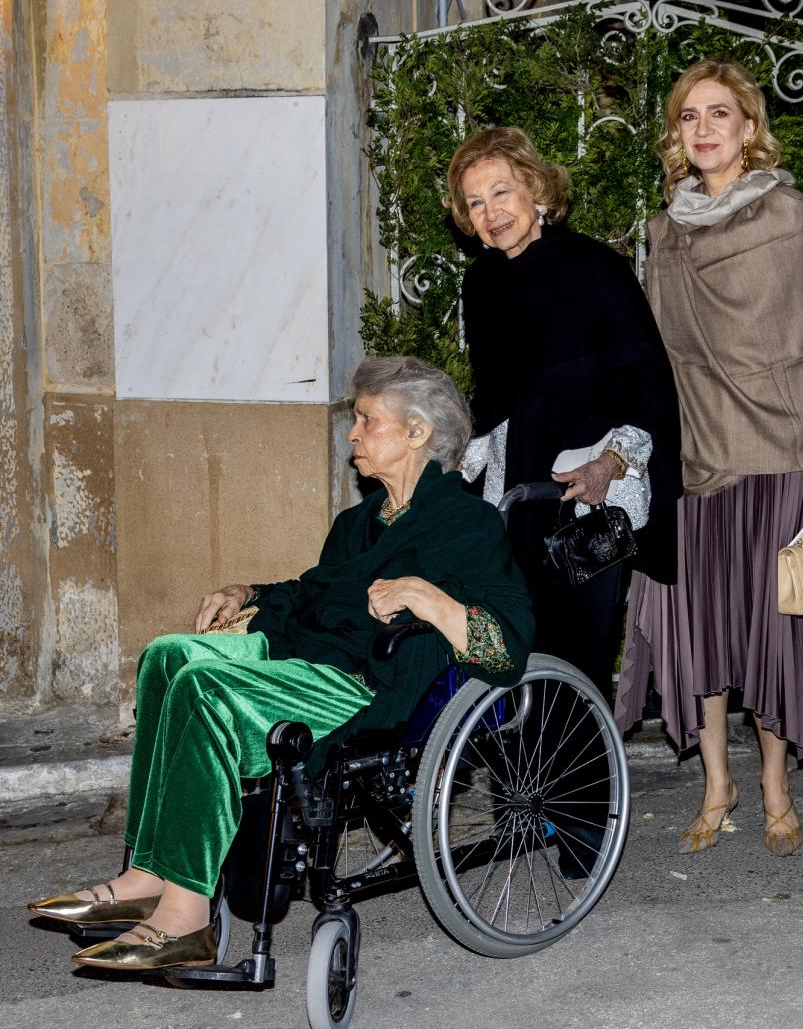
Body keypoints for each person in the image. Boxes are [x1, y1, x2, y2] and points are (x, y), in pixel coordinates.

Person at [28, 356, 533, 971]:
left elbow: (506, 647)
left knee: (207, 689)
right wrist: (247, 594)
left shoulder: (468, 523)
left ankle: (187, 918)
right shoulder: (358, 523)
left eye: (368, 420)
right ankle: (146, 872)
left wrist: (424, 596)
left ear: (417, 433)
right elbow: (315, 592)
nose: (352, 434)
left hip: (364, 681)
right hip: (309, 651)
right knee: (167, 657)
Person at [613, 59, 803, 857]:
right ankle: (718, 784)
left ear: (750, 126)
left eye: (720, 114)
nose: (704, 129)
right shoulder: (664, 231)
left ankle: (776, 785)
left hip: (777, 452)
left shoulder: (785, 215)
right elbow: (657, 355)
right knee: (699, 630)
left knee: (770, 631)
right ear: (676, 134)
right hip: (693, 458)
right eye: (689, 117)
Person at [446, 126, 682, 700]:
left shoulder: (596, 270)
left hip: (589, 495)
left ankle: (585, 790)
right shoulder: (481, 285)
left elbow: (647, 386)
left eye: (501, 192)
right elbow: (498, 397)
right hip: (515, 494)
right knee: (513, 648)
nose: (490, 212)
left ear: (536, 191)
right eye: (475, 203)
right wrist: (457, 463)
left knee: (579, 651)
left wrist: (611, 463)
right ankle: (521, 790)